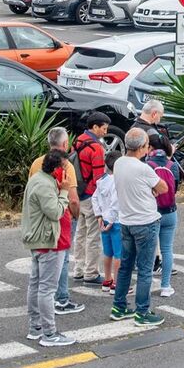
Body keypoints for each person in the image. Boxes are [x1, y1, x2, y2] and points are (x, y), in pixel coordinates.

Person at [109, 128, 168, 326]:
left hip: (126, 221)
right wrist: (150, 189)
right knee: (144, 270)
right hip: (146, 221)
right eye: (146, 147)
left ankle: (119, 306)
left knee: (126, 266)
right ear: (142, 147)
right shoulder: (143, 169)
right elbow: (163, 187)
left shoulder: (118, 163)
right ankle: (142, 312)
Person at [22, 150, 76, 347]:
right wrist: (64, 192)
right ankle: (49, 334)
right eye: (64, 168)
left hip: (39, 240)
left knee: (35, 285)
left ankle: (35, 328)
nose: (66, 172)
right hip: (49, 241)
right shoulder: (45, 185)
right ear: (55, 169)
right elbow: (54, 212)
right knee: (46, 289)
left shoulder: (37, 178)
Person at [28, 127, 84, 314]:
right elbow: (73, 198)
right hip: (59, 217)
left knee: (36, 273)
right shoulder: (66, 164)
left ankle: (36, 319)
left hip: (38, 221)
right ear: (65, 144)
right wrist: (76, 214)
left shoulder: (37, 162)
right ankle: (61, 298)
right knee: (62, 259)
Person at [71, 112, 109, 285]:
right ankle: (91, 273)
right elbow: (99, 178)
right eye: (103, 128)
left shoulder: (78, 141)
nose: (105, 132)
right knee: (93, 236)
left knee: (80, 233)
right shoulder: (97, 148)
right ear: (95, 127)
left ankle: (78, 270)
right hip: (91, 195)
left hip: (78, 193)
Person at [143, 142, 179, 298]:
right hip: (170, 211)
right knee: (167, 249)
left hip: (152, 212)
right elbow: (175, 188)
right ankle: (166, 286)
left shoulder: (147, 165)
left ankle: (147, 285)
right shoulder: (173, 166)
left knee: (150, 250)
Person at [90, 155, 121, 293]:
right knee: (119, 254)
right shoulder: (118, 182)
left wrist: (99, 216)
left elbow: (95, 198)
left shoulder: (102, 181)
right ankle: (117, 282)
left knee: (108, 252)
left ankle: (107, 279)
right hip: (117, 221)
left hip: (104, 220)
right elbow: (116, 203)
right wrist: (112, 219)